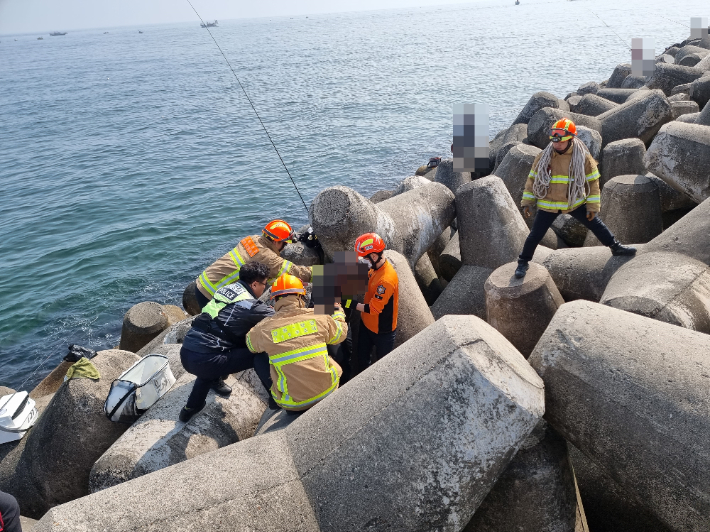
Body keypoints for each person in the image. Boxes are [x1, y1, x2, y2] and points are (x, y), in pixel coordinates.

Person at [515, 118, 636, 278]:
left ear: (571, 139)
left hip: (574, 202)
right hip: (549, 204)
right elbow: (532, 180)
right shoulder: (543, 157)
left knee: (596, 225)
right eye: (554, 141)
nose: (556, 144)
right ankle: (523, 262)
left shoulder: (584, 158)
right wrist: (527, 203)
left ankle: (615, 247)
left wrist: (593, 207)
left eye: (561, 141)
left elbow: (593, 182)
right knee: (535, 235)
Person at [179, 261, 275, 422]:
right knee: (258, 353)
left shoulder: (227, 289)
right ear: (254, 284)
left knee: (211, 360)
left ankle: (190, 408)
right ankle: (275, 397)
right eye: (264, 284)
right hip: (206, 360)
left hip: (187, 352)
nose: (265, 288)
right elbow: (282, 318)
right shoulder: (251, 305)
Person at [245, 273, 347, 413]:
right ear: (300, 296)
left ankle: (275, 402)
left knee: (258, 357)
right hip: (328, 390)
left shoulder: (264, 328)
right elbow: (340, 334)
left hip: (294, 404)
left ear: (275, 300)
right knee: (325, 339)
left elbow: (250, 345)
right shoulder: (318, 316)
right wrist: (338, 311)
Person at [193, 219, 312, 310]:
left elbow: (270, 275)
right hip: (212, 293)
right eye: (284, 243)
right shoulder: (268, 258)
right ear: (276, 242)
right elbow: (299, 273)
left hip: (204, 281)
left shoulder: (253, 239)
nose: (285, 247)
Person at [353, 233, 399, 369]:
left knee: (383, 367)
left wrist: (349, 304)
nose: (362, 261)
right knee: (362, 359)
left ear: (373, 256)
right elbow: (368, 277)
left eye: (364, 258)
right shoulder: (375, 267)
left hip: (383, 331)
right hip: (366, 325)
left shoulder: (386, 280)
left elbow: (373, 309)